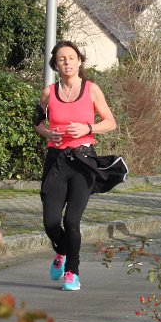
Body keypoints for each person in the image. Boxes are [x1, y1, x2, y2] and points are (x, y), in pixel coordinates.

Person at [34, 40, 119, 292]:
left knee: (72, 221)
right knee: (51, 222)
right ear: (55, 64)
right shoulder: (48, 92)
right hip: (56, 162)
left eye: (71, 57)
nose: (67, 62)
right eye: (62, 59)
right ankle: (62, 251)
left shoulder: (92, 90)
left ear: (79, 61)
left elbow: (110, 122)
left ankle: (72, 272)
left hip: (83, 161)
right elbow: (37, 123)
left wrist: (87, 128)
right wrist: (48, 133)